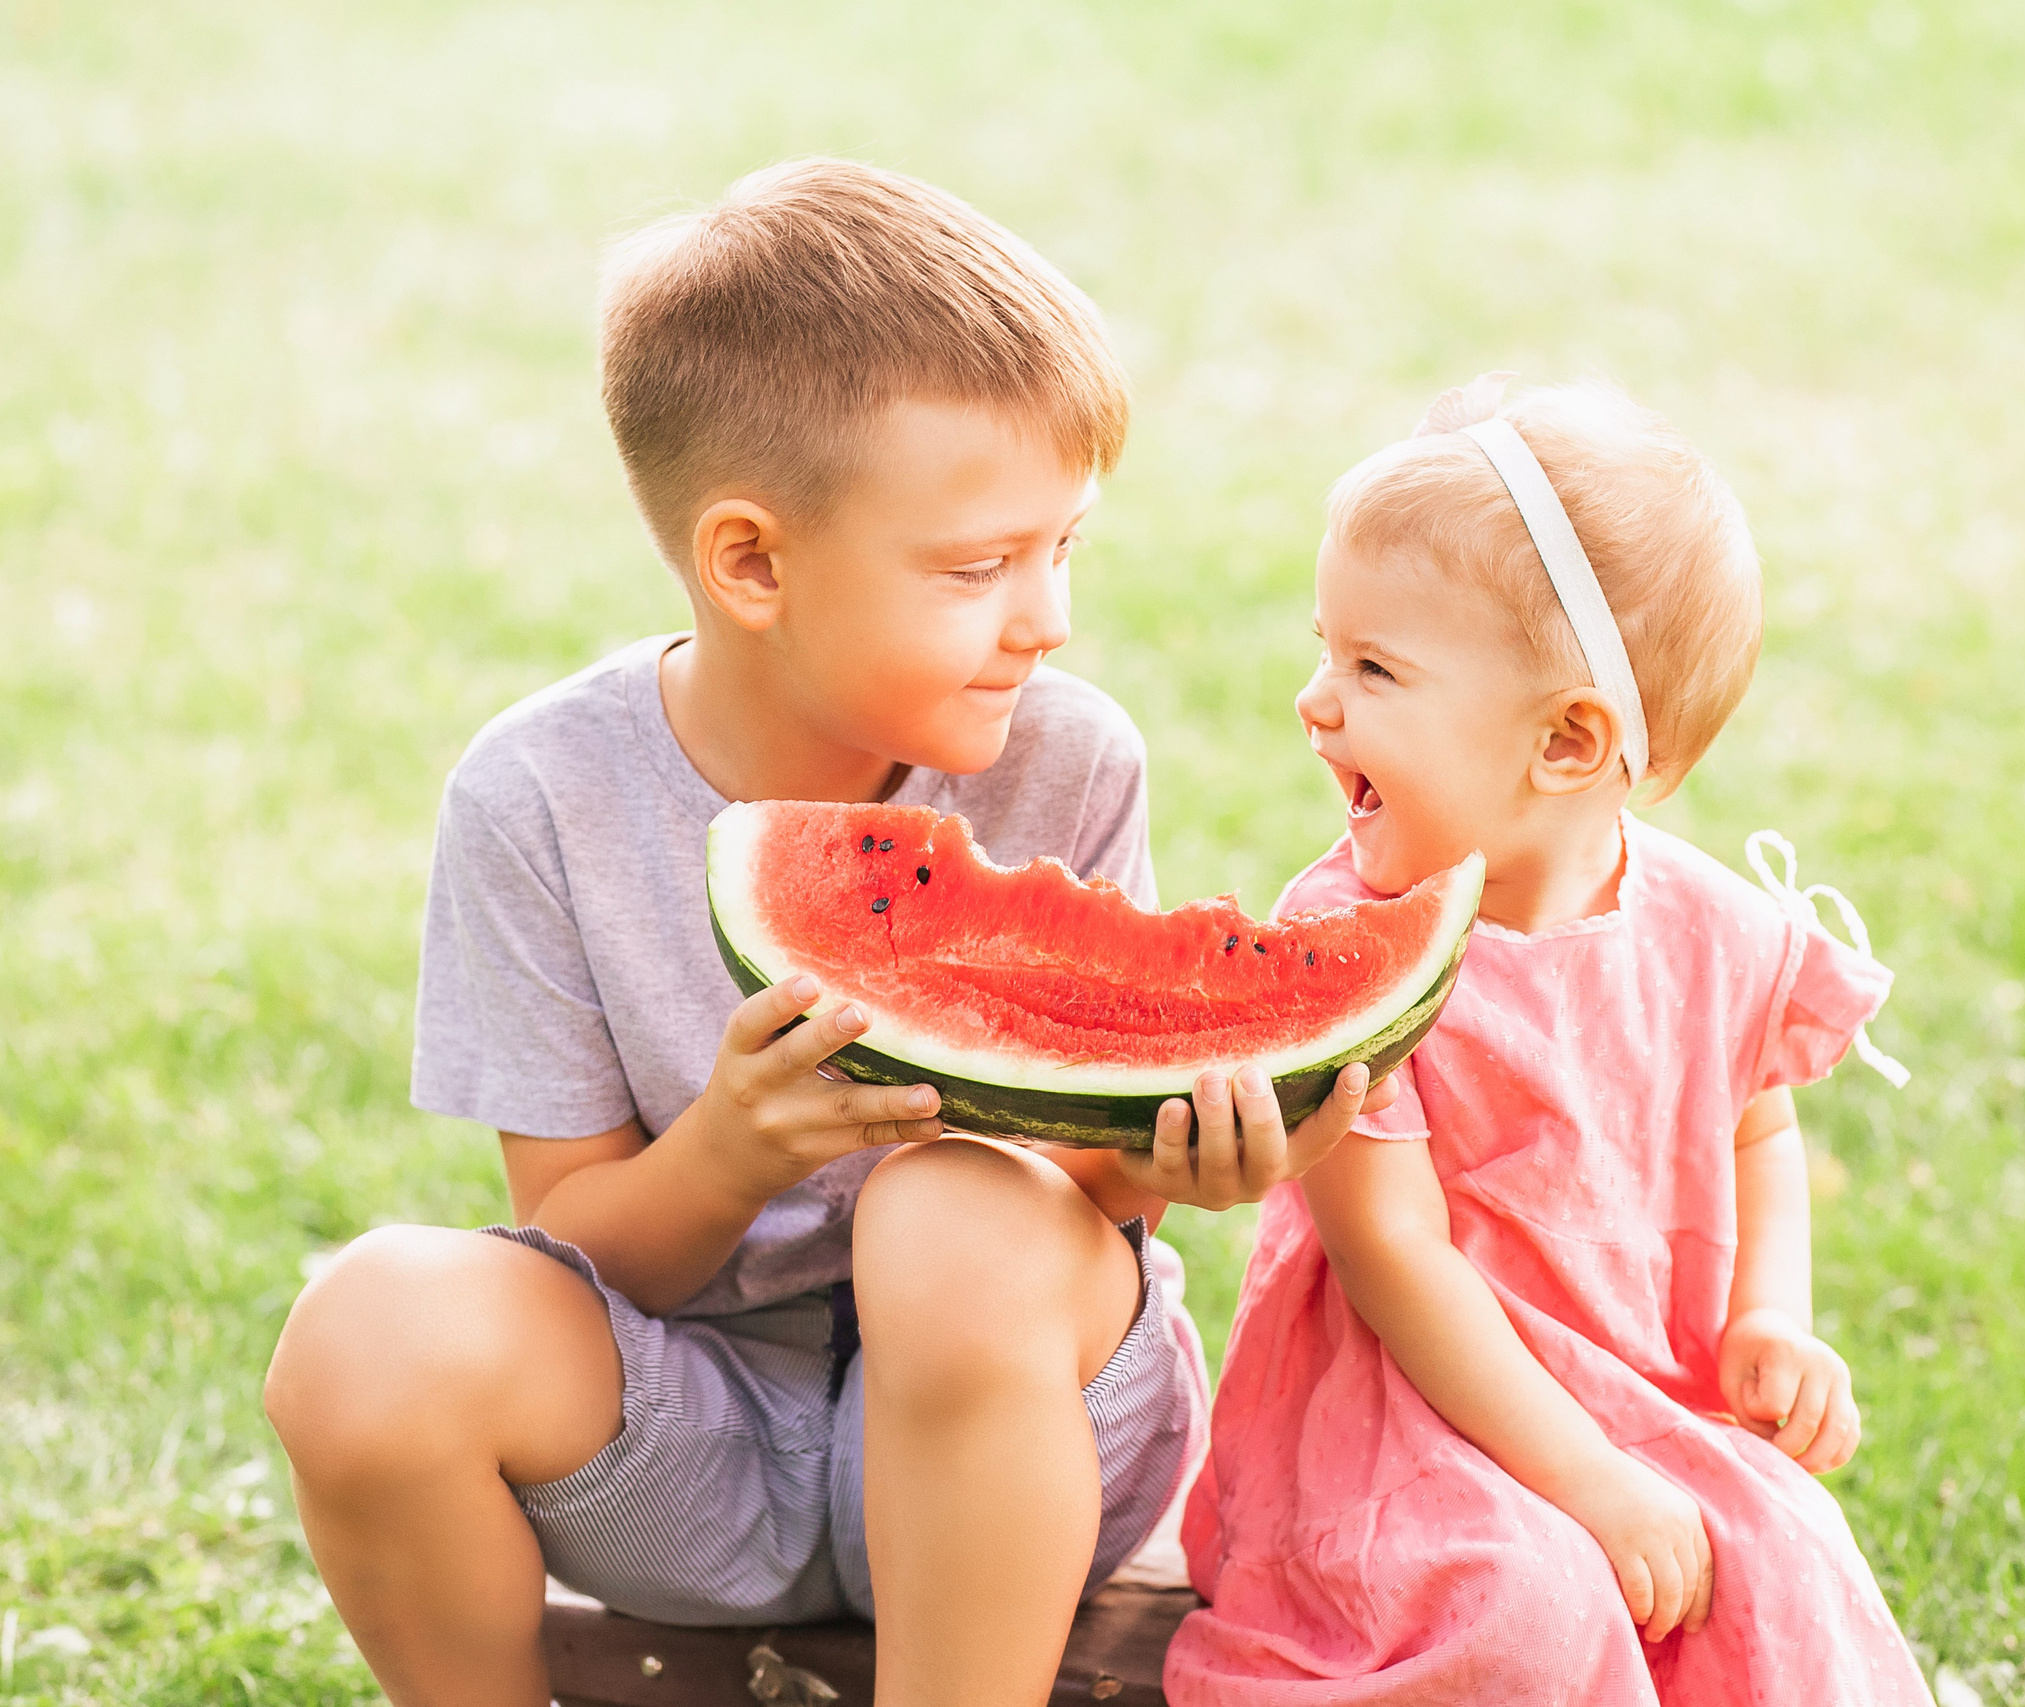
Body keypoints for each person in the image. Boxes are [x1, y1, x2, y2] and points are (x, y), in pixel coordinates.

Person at [261, 158, 1381, 1707]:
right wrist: (731, 1150)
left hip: (1030, 1431)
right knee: (365, 1329)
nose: (1046, 616)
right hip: (694, 1446)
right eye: (980, 567)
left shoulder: (1072, 756)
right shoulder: (539, 800)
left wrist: (1188, 1162)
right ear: (753, 563)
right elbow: (577, 1250)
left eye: (1065, 546)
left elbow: (1084, 1192)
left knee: (952, 1216)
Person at [1167, 374, 1932, 1703]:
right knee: (1526, 1609)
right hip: (1398, 1423)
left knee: (1791, 1563)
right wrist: (1588, 1483)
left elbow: (1760, 1124)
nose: (1314, 702)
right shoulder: (1343, 936)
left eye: (1374, 669)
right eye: (1325, 649)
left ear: (1569, 742)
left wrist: (1771, 1319)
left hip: (1644, 1391)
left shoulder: (1714, 928)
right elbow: (1393, 1256)